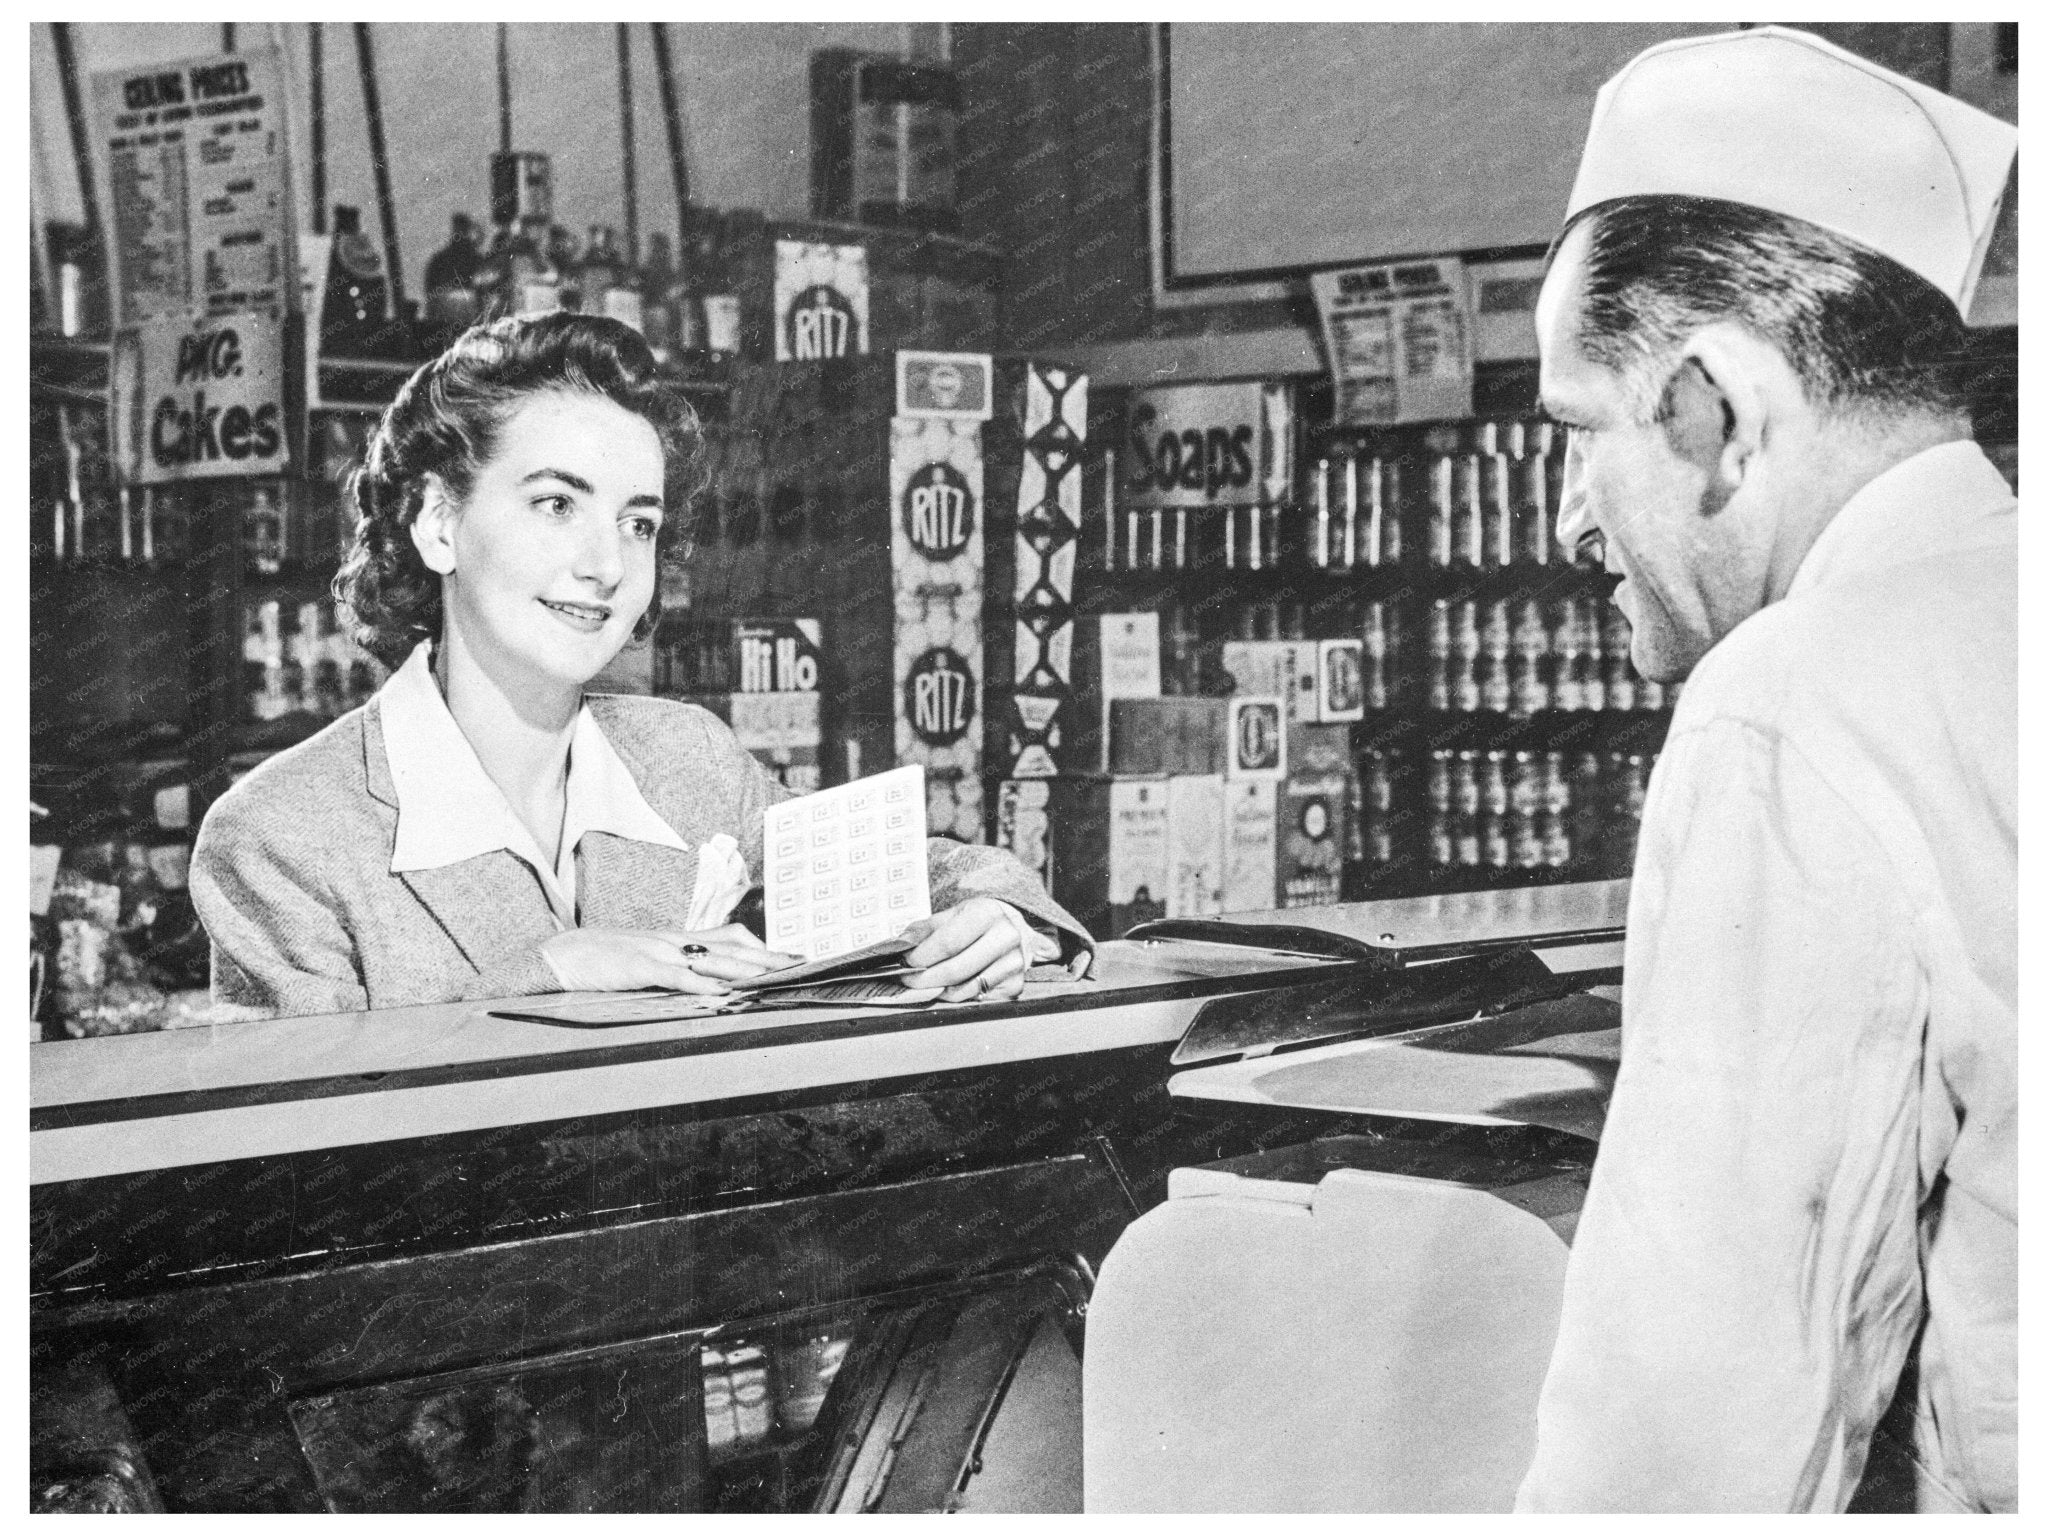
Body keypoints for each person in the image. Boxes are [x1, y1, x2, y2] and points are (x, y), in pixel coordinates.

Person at [1514, 28, 2016, 1512]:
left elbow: (1688, 1425)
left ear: (1708, 412)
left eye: (1573, 436)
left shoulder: (1795, 700)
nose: (1570, 527)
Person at [192, 313, 1090, 1020]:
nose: (607, 566)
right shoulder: (280, 837)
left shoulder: (686, 760)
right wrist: (553, 969)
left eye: (638, 523)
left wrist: (998, 923)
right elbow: (299, 1175)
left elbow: (928, 871)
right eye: (555, 504)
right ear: (436, 523)